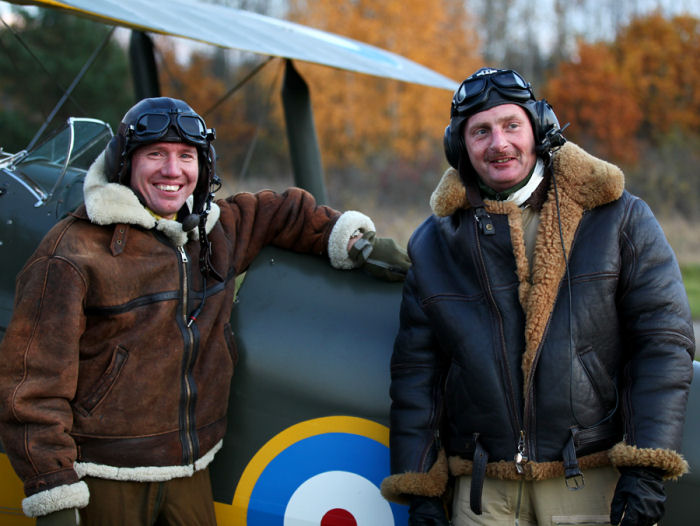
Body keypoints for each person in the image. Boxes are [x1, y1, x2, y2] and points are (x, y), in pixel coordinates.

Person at [0, 97, 409, 525]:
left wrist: (356, 242)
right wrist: (54, 493)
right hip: (105, 475)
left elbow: (281, 212)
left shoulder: (215, 233)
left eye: (185, 156)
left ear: (203, 166)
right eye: (155, 154)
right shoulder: (71, 253)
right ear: (124, 163)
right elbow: (31, 388)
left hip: (192, 471)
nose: (172, 170)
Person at [380, 67, 695, 526]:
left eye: (512, 125)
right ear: (459, 147)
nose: (499, 143)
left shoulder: (619, 217)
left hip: (589, 483)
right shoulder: (432, 245)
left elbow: (663, 342)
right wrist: (421, 489)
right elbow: (416, 375)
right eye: (481, 131)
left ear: (540, 129)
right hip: (482, 496)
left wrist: (646, 467)